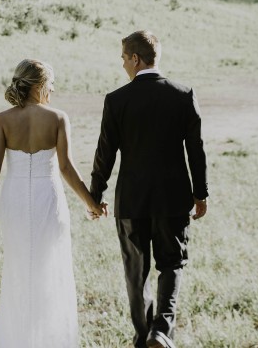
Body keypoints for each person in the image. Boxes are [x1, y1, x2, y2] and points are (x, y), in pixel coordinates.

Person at [0, 59, 103, 347]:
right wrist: (91, 203)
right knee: (50, 268)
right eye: (50, 84)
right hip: (48, 199)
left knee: (18, 268)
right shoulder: (58, 118)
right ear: (39, 86)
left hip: (14, 200)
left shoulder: (3, 119)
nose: (53, 90)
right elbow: (66, 167)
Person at [89, 31, 209, 348]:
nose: (122, 65)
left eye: (123, 59)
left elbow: (104, 154)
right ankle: (162, 330)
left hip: (132, 201)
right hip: (173, 198)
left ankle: (145, 338)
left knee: (136, 272)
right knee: (172, 264)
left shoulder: (117, 100)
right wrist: (201, 192)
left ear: (135, 59)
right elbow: (196, 150)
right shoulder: (183, 94)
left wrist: (95, 195)